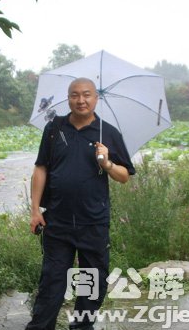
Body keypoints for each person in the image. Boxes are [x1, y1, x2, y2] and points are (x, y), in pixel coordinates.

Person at [26, 77, 136, 330]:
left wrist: (106, 163)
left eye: (86, 94)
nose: (81, 100)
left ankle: (82, 327)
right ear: (69, 98)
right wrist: (35, 210)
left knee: (91, 280)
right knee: (52, 280)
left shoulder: (107, 133)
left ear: (96, 98)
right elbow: (41, 168)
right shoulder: (55, 128)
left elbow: (124, 177)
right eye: (75, 95)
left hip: (93, 221)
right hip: (57, 219)